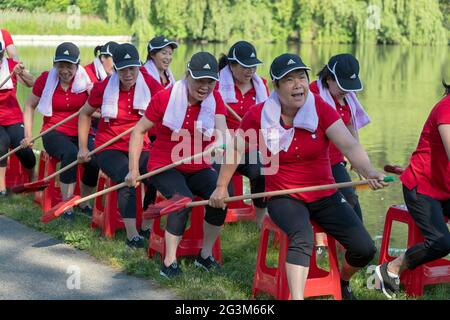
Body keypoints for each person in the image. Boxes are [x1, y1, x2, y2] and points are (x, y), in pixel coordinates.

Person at [209, 53, 387, 300]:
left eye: (301, 77)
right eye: (289, 79)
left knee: (364, 248)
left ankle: (343, 281)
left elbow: (349, 145)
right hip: (285, 196)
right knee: (302, 237)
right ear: (276, 85)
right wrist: (220, 187)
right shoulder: (259, 114)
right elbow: (236, 150)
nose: (298, 85)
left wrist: (368, 171)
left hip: (324, 194)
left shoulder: (320, 108)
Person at [126, 52, 229, 278]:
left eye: (210, 81)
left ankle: (205, 255)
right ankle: (169, 261)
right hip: (165, 164)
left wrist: (219, 143)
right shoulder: (165, 98)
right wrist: (133, 169)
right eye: (199, 80)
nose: (205, 87)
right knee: (182, 201)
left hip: (199, 166)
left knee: (221, 197)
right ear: (188, 75)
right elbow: (138, 131)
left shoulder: (216, 99)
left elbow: (223, 135)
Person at [78, 43, 164, 248]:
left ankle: (146, 224)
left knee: (155, 174)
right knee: (127, 176)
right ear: (115, 68)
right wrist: (83, 147)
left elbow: (166, 110)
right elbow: (84, 113)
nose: (128, 74)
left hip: (141, 146)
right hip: (109, 147)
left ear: (139, 67)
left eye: (132, 68)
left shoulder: (151, 84)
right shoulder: (103, 87)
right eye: (123, 69)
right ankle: (132, 234)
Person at [375, 81, 450, 299]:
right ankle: (391, 268)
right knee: (441, 242)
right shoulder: (446, 109)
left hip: (445, 188)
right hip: (422, 188)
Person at [22, 42, 98, 220]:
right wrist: (28, 135)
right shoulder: (45, 79)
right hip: (53, 131)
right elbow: (29, 105)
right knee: (70, 154)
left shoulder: (87, 82)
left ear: (77, 65)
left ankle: (84, 203)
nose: (64, 71)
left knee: (94, 158)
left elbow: (96, 109)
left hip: (82, 131)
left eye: (69, 66)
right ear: (55, 64)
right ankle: (67, 203)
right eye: (60, 66)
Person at [310, 53, 370, 255]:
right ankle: (321, 244)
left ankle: (359, 248)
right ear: (328, 79)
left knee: (351, 199)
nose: (348, 90)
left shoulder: (347, 97)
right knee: (327, 199)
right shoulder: (311, 94)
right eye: (343, 84)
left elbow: (352, 128)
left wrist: (360, 162)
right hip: (313, 162)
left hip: (335, 159)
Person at [216, 40, 269, 229]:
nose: (250, 71)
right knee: (223, 187)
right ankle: (216, 223)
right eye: (245, 66)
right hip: (223, 146)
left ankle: (261, 221)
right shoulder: (216, 84)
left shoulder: (261, 85)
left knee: (262, 171)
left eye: (253, 66)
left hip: (249, 146)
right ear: (231, 65)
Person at [0, 42, 36, 197]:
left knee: (25, 148)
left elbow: (32, 83)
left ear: (3, 52)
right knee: (1, 143)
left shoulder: (12, 65)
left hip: (13, 116)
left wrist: (21, 73)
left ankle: (33, 180)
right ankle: (1, 187)